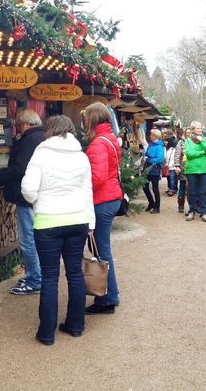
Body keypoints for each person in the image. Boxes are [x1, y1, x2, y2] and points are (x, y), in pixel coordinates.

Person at [20, 116, 94, 345]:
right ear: (71, 131)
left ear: (50, 130)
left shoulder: (41, 154)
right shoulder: (81, 156)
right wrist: (90, 222)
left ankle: (47, 333)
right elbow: (87, 191)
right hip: (78, 220)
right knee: (74, 273)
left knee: (50, 277)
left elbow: (28, 189)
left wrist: (39, 201)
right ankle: (75, 325)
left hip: (48, 222)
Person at [0, 109, 45, 296]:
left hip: (26, 196)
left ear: (25, 124)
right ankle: (37, 275)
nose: (17, 129)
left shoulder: (29, 140)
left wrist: (1, 175)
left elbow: (20, 168)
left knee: (28, 240)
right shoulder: (42, 137)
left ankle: (34, 280)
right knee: (35, 237)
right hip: (37, 195)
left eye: (18, 125)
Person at [84, 102, 124, 314]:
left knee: (101, 249)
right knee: (101, 248)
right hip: (111, 196)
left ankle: (107, 299)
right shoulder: (109, 138)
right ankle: (110, 295)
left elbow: (97, 178)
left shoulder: (98, 143)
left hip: (102, 199)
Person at [183, 121, 206, 222]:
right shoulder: (187, 141)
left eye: (200, 128)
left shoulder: (205, 139)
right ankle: (192, 211)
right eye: (197, 128)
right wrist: (201, 152)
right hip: (191, 169)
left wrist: (202, 141)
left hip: (204, 169)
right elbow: (189, 154)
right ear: (192, 130)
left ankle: (204, 212)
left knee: (203, 191)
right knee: (192, 191)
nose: (199, 129)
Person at [142, 129, 165, 213]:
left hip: (154, 169)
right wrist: (144, 157)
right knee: (145, 187)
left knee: (155, 189)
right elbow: (146, 153)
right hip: (147, 168)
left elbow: (160, 159)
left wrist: (148, 160)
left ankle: (157, 207)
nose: (150, 136)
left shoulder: (159, 147)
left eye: (151, 135)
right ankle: (151, 203)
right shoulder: (150, 145)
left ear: (155, 136)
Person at [174, 128, 191, 213]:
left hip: (192, 169)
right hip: (183, 168)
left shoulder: (194, 142)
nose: (188, 134)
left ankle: (193, 207)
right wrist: (177, 165)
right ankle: (181, 205)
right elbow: (177, 154)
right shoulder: (181, 142)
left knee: (192, 189)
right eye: (187, 132)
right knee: (182, 187)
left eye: (189, 132)